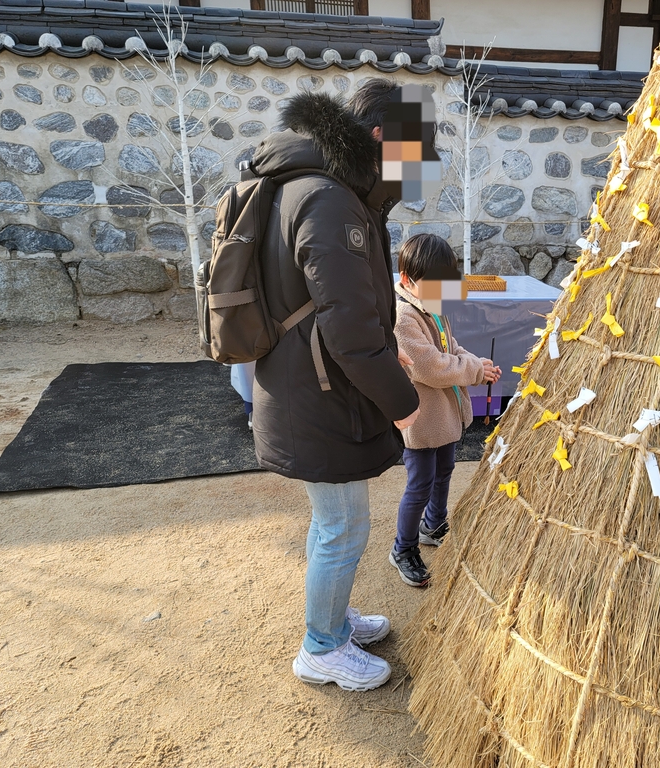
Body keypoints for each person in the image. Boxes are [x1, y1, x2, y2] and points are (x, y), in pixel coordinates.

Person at [249, 80, 439, 691]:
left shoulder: (311, 188)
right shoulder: (329, 201)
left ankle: (333, 619)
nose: (421, 165)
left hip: (308, 386)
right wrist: (405, 406)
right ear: (383, 138)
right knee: (342, 527)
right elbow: (351, 330)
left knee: (336, 523)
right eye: (418, 148)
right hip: (318, 393)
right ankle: (321, 646)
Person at [390, 234, 501, 587]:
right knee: (420, 483)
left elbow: (452, 347)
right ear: (408, 279)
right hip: (422, 421)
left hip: (445, 417)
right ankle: (403, 548)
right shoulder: (404, 316)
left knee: (445, 469)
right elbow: (430, 366)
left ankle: (434, 523)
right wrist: (472, 369)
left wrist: (474, 362)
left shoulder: (431, 308)